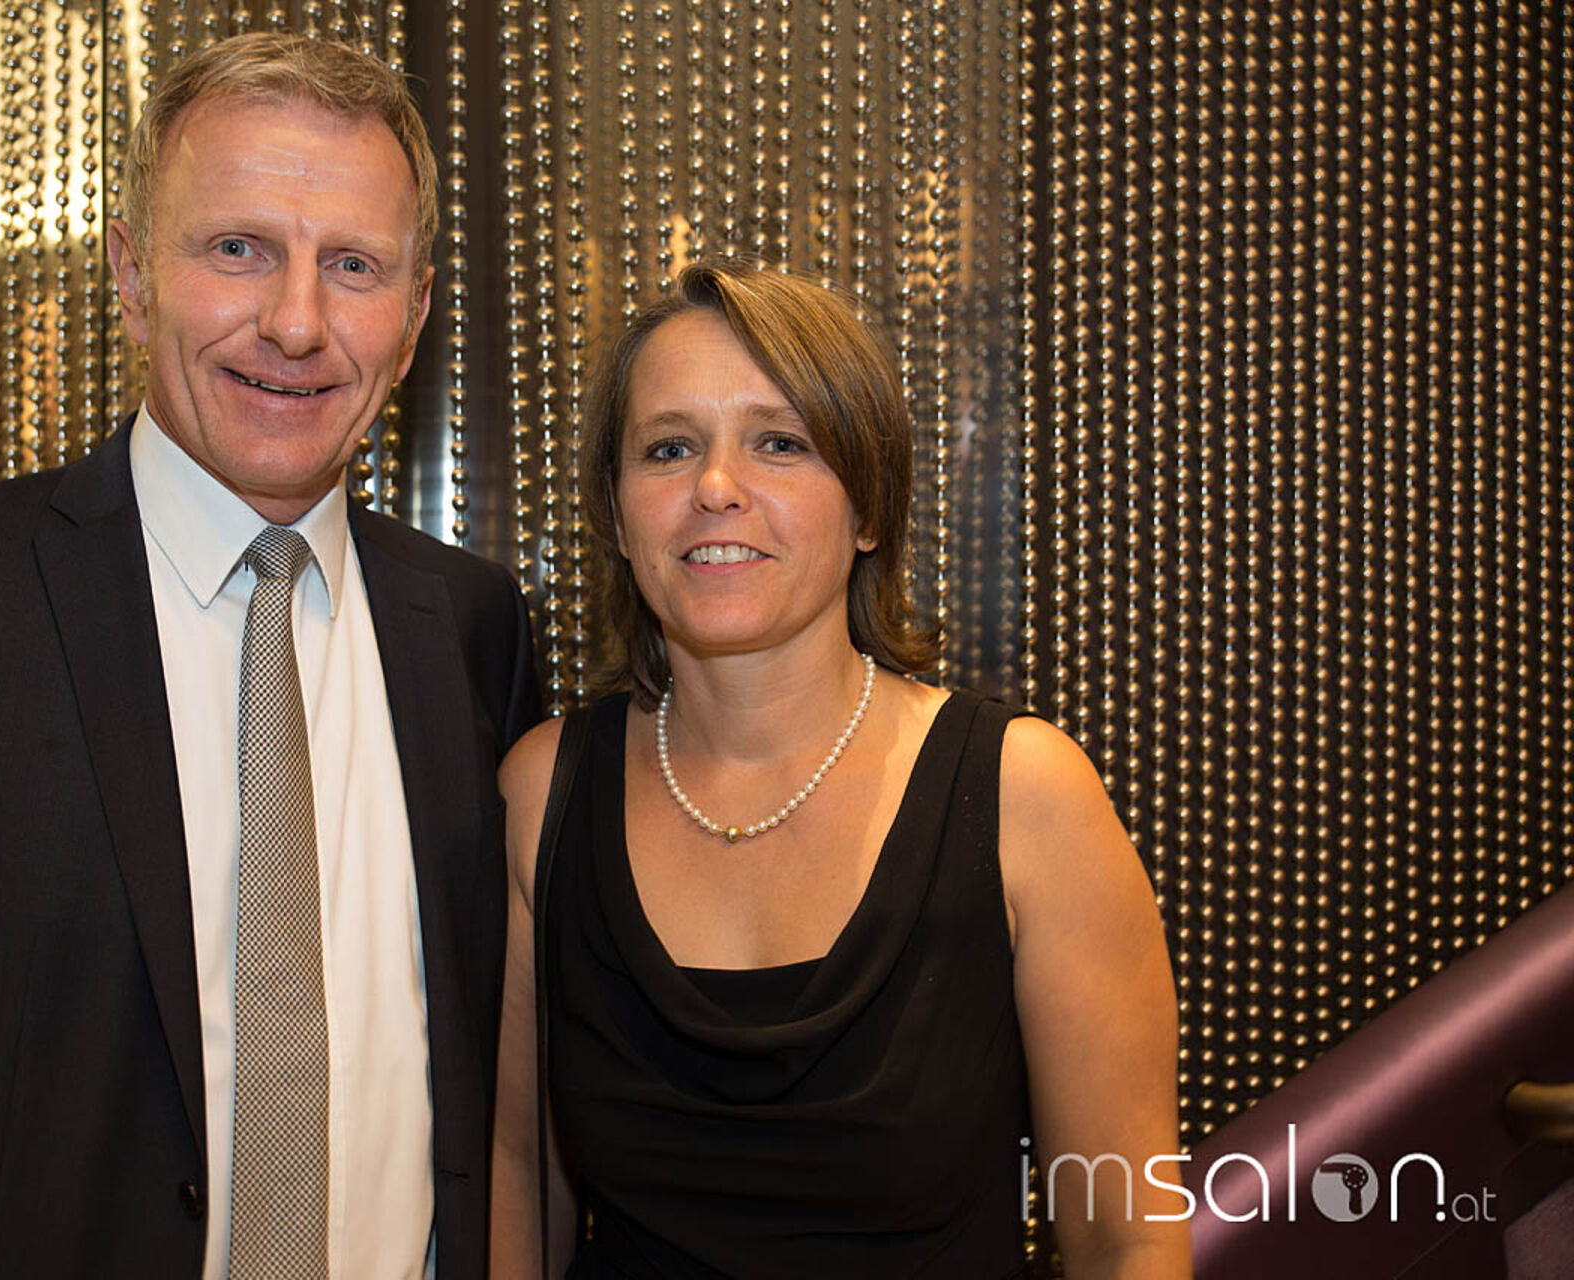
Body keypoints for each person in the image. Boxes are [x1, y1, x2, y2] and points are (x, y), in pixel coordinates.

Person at [0, 33, 538, 1280]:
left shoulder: (475, 627)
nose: (296, 321)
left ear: (414, 315)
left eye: (353, 264)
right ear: (131, 273)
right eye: (238, 248)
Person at [489, 259, 1189, 1277]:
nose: (715, 487)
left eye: (780, 442)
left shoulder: (1024, 795)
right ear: (618, 514)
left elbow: (1129, 1238)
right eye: (669, 448)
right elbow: (518, 1179)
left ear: (869, 508)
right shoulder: (541, 793)